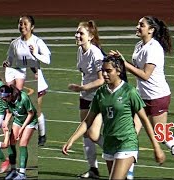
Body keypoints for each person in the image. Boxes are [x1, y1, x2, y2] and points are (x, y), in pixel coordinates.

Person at [110, 16, 174, 179]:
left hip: (157, 96)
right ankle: (129, 171)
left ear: (151, 30)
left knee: (160, 134)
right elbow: (134, 70)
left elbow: (146, 75)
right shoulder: (139, 45)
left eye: (141, 25)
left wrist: (124, 63)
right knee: (130, 133)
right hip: (140, 96)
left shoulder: (154, 49)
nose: (137, 26)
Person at [62, 55, 166, 179]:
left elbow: (144, 119)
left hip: (126, 143)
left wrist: (156, 147)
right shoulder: (101, 93)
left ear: (118, 71)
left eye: (108, 71)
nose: (104, 74)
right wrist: (71, 140)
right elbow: (88, 120)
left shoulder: (129, 92)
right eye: (103, 70)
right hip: (109, 144)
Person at [67, 20, 105, 178]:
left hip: (97, 97)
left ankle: (119, 151)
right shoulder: (80, 51)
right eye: (77, 32)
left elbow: (102, 80)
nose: (77, 35)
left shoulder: (95, 53)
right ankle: (93, 169)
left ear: (90, 36)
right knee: (86, 133)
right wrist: (82, 90)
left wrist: (82, 87)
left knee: (94, 134)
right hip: (85, 97)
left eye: (80, 33)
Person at [0, 84, 38, 180]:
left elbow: (31, 113)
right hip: (18, 120)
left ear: (10, 94)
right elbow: (8, 113)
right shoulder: (5, 100)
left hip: (30, 120)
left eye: (5, 98)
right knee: (11, 142)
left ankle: (22, 174)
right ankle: (13, 170)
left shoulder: (23, 98)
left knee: (22, 143)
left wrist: (22, 128)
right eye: (2, 98)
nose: (3, 100)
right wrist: (5, 123)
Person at [3, 15, 51, 91]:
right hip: (16, 71)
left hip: (35, 77)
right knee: (12, 93)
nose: (22, 26)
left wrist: (35, 54)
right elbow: (10, 59)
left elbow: (47, 60)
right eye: (20, 24)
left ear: (32, 27)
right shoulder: (14, 43)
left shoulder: (37, 41)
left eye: (25, 24)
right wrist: (7, 63)